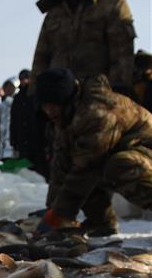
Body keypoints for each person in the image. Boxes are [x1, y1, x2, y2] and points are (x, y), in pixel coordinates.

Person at [36, 68, 151, 236]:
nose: (49, 110)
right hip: (121, 153)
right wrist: (51, 209)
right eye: (45, 105)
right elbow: (61, 165)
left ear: (65, 98)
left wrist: (60, 214)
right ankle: (101, 223)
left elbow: (86, 168)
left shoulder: (97, 113)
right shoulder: (67, 115)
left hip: (145, 154)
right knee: (79, 165)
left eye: (53, 105)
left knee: (119, 165)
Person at [32, 0, 136, 97]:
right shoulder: (54, 14)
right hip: (61, 102)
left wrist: (119, 90)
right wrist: (36, 95)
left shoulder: (110, 2)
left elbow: (122, 52)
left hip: (99, 96)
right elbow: (40, 58)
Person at [11, 68, 49, 179]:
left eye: (26, 78)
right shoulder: (17, 99)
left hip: (38, 142)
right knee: (25, 173)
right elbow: (14, 122)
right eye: (22, 79)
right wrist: (14, 141)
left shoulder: (37, 96)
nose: (24, 81)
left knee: (41, 171)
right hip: (22, 143)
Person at [0, 78, 19, 163]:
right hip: (3, 144)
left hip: (13, 145)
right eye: (6, 87)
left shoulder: (18, 101)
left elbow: (12, 104)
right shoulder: (4, 104)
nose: (8, 90)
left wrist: (3, 96)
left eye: (11, 87)